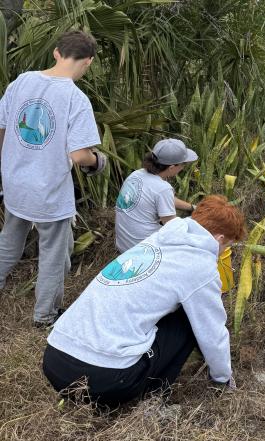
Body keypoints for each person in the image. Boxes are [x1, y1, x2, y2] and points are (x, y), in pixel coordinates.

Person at [42, 195, 246, 408]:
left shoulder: (156, 240)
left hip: (55, 361)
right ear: (220, 238)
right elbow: (212, 332)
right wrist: (222, 379)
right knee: (189, 319)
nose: (223, 252)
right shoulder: (200, 266)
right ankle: (154, 398)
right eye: (227, 245)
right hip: (105, 380)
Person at [0, 31, 106, 326]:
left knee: (9, 239)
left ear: (57, 53)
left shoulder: (22, 81)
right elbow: (81, 155)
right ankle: (44, 315)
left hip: (15, 183)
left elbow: (2, 126)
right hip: (48, 192)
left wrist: (7, 162)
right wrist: (98, 161)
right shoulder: (76, 98)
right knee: (54, 255)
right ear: (88, 62)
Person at [115, 138, 198, 253]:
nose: (183, 168)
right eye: (183, 165)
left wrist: (193, 208)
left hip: (124, 244)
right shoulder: (163, 188)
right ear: (172, 167)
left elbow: (164, 199)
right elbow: (171, 227)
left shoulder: (136, 174)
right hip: (143, 251)